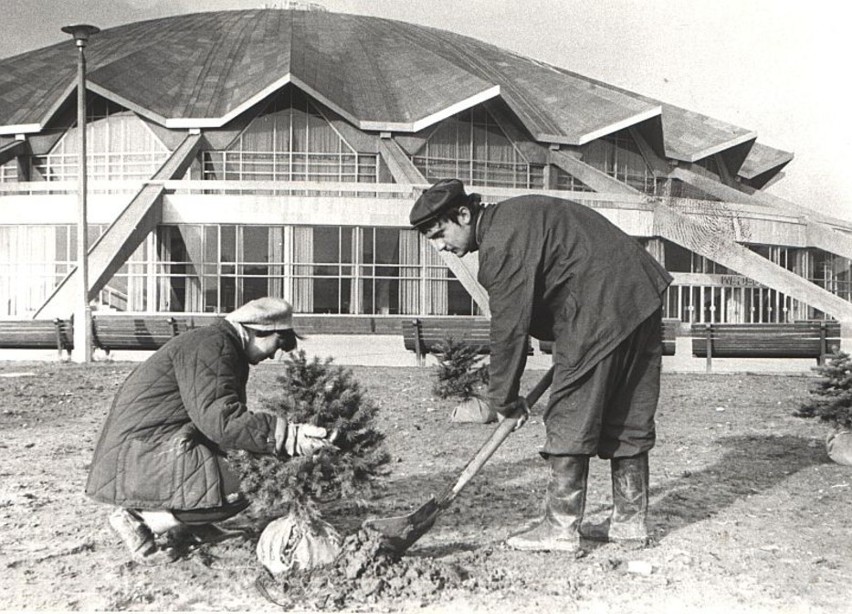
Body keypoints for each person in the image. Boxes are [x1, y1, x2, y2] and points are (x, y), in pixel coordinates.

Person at [409, 179, 672, 552]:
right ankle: (629, 523)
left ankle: (560, 528)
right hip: (640, 295)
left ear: (463, 214)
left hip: (597, 308)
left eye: (440, 233)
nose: (441, 247)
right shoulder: (518, 215)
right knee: (626, 411)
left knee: (569, 413)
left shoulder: (501, 244)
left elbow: (509, 331)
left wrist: (504, 401)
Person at [85, 297, 337, 564]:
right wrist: (290, 437)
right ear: (255, 330)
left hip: (152, 447)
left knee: (246, 463)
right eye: (280, 343)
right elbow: (222, 420)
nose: (276, 353)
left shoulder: (219, 344)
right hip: (143, 454)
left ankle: (191, 527)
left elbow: (214, 420)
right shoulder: (214, 347)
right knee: (255, 477)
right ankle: (139, 519)